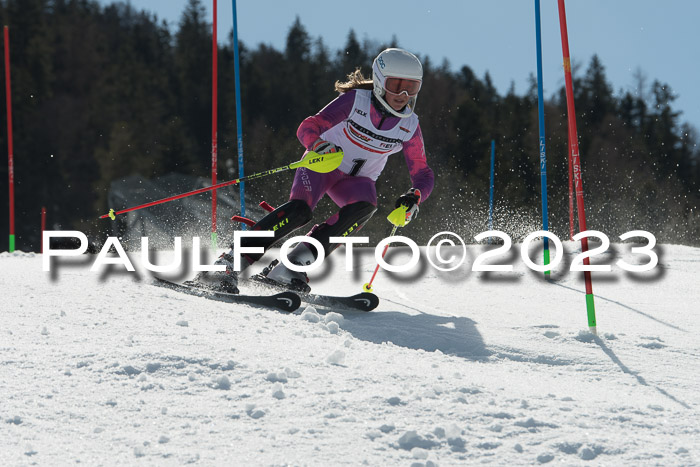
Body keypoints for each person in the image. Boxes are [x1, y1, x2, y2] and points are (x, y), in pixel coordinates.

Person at [195, 47, 434, 294]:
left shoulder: (409, 125)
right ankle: (228, 263)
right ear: (381, 82)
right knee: (300, 211)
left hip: (357, 181)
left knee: (366, 207)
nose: (403, 95)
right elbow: (309, 126)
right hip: (323, 167)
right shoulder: (356, 101)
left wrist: (415, 196)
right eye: (396, 85)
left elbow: (423, 173)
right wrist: (319, 145)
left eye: (412, 87)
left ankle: (291, 265)